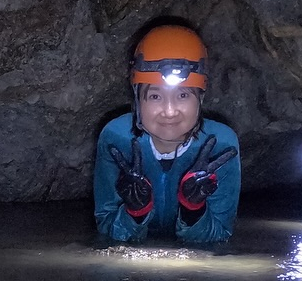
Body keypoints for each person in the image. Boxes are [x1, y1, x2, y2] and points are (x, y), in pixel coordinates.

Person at [94, 25, 240, 245]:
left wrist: (194, 210)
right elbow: (106, 229)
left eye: (182, 95)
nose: (170, 111)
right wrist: (135, 212)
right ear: (137, 99)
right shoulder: (117, 140)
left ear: (200, 98)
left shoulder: (221, 147)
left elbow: (220, 235)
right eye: (154, 96)